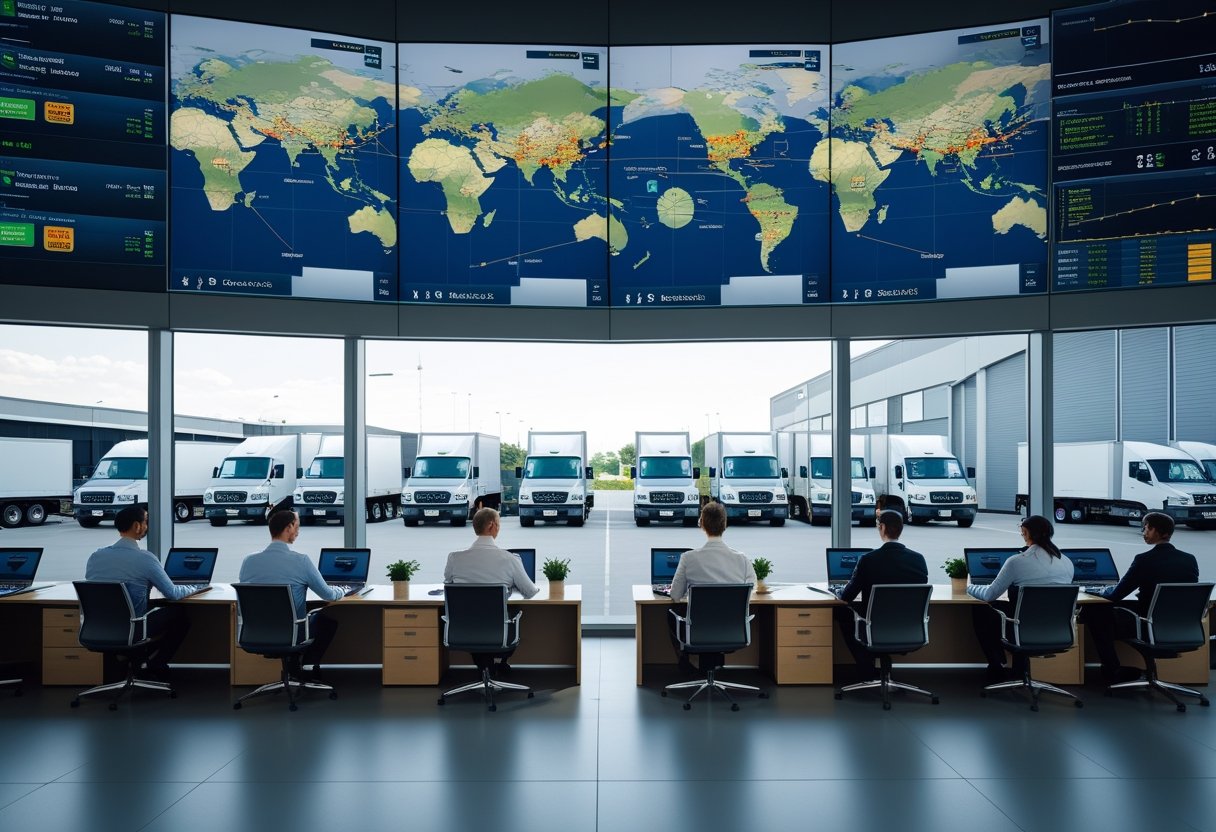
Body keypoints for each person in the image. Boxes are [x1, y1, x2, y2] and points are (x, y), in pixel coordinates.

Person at [1081, 512, 1199, 684]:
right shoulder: (1190, 560)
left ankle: (1112, 671)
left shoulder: (1144, 560)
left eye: (1146, 528)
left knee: (1096, 612)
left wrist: (1094, 592)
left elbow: (1115, 595)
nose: (1144, 532)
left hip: (1147, 625)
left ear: (1155, 530)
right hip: (1180, 626)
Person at [84, 505, 193, 677]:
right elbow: (172, 593)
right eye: (146, 522)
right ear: (137, 526)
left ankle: (130, 660)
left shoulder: (96, 556)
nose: (147, 526)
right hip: (132, 627)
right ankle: (152, 665)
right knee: (179, 615)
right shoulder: (145, 559)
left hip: (99, 627)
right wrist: (195, 587)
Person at [968, 514, 1074, 682]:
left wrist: (969, 586)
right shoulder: (1067, 562)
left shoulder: (1017, 561)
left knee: (982, 609)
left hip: (1022, 629)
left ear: (1025, 532)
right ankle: (1017, 671)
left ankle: (997, 667)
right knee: (1021, 612)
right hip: (1056, 631)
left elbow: (989, 595)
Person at [238, 509, 343, 676]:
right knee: (325, 621)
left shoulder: (248, 561)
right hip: (290, 634)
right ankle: (304, 668)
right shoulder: (301, 561)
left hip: (256, 633)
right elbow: (328, 595)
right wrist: (342, 590)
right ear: (288, 528)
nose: (298, 532)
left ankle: (293, 665)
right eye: (297, 527)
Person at [833, 509, 928, 677]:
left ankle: (866, 669)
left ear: (882, 528)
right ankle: (876, 669)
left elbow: (847, 597)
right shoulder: (918, 559)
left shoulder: (868, 560)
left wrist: (838, 590)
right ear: (900, 529)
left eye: (878, 526)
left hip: (875, 629)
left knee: (840, 611)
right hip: (907, 630)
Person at [666, 501, 755, 668]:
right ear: (725, 525)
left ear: (701, 524)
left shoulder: (688, 558)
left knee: (672, 613)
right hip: (732, 632)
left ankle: (689, 664)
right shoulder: (742, 559)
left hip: (697, 633)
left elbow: (675, 595)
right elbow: (752, 591)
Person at [444, 507, 538, 599]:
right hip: (498, 615)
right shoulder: (511, 559)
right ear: (492, 525)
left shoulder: (454, 559)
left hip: (462, 614)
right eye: (498, 524)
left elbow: (448, 585)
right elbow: (530, 592)